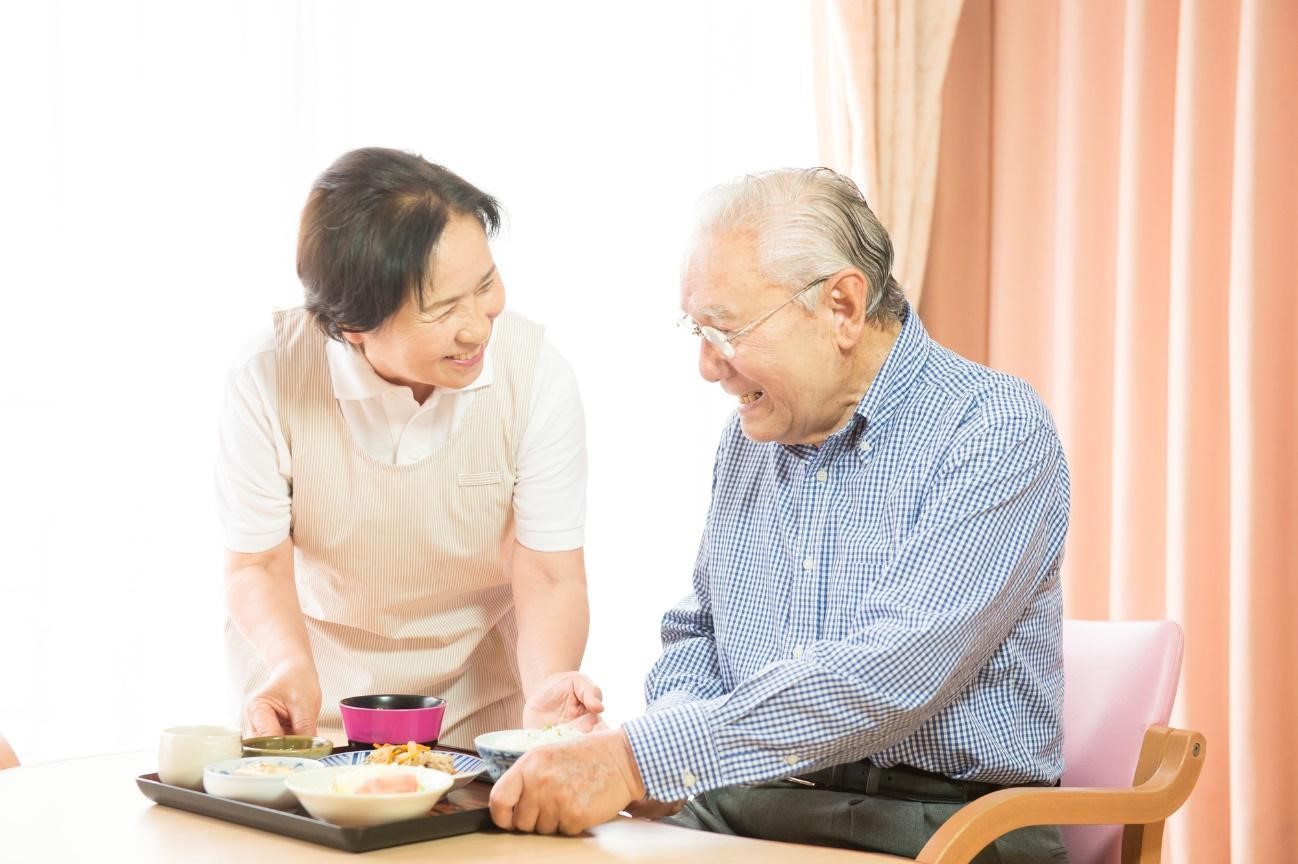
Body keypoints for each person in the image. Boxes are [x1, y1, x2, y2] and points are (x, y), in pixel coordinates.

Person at [488, 167, 1071, 862]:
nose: (707, 366)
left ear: (843, 308)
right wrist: (661, 752)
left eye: (725, 329)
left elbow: (893, 672)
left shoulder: (992, 429)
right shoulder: (752, 435)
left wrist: (641, 758)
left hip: (931, 821)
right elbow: (701, 631)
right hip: (749, 803)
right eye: (696, 329)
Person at [216, 148, 602, 749]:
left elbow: (548, 573)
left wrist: (547, 689)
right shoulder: (268, 374)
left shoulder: (536, 375)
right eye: (443, 309)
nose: (477, 326)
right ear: (353, 324)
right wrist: (288, 667)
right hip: (316, 708)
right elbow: (259, 563)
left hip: (484, 713)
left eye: (485, 285)